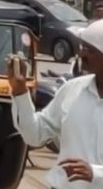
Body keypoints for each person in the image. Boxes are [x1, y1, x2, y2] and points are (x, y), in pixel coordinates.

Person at [8, 19, 103, 188]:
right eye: (82, 48)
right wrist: (20, 91)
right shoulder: (73, 89)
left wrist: (95, 173)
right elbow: (35, 135)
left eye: (89, 50)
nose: (81, 55)